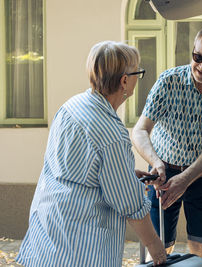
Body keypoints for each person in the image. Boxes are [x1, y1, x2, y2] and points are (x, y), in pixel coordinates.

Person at [16, 41, 167, 267]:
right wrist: (156, 248)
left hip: (48, 230)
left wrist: (125, 174)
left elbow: (73, 167)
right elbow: (130, 204)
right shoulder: (112, 134)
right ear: (124, 80)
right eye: (138, 72)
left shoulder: (71, 106)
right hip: (80, 246)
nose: (138, 78)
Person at [132, 28, 202, 260]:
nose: (201, 66)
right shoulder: (168, 82)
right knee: (159, 249)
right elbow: (140, 131)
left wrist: (187, 178)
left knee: (200, 250)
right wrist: (155, 162)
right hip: (163, 174)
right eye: (197, 57)